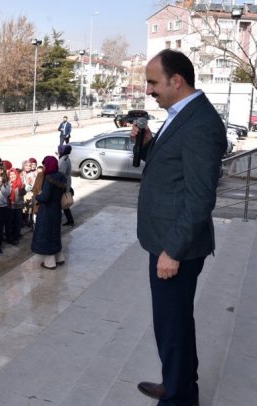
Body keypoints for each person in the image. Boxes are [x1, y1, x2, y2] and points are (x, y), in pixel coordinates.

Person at [132, 49, 227, 406]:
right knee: (176, 325)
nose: (148, 90)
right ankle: (178, 383)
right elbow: (170, 166)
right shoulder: (180, 114)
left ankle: (178, 399)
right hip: (165, 240)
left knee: (171, 327)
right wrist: (144, 144)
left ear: (177, 81)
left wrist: (172, 250)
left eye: (153, 82)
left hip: (177, 246)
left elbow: (201, 197)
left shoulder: (201, 123)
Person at [30, 156, 66, 270]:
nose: (44, 167)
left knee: (46, 234)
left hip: (47, 211)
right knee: (55, 233)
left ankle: (50, 262)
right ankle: (59, 258)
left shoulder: (49, 178)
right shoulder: (62, 177)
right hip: (57, 209)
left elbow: (45, 197)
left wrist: (38, 196)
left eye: (45, 165)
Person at [57, 144, 74, 227]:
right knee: (64, 203)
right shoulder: (65, 158)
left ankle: (68, 220)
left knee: (62, 202)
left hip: (63, 184)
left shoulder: (64, 160)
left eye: (59, 150)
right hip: (66, 183)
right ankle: (70, 220)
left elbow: (61, 173)